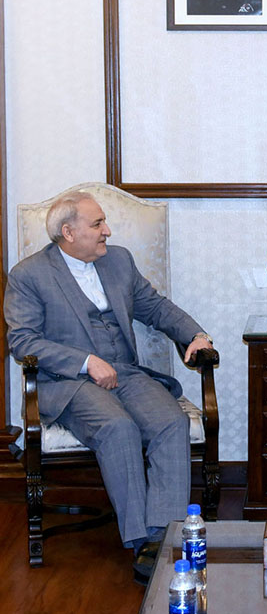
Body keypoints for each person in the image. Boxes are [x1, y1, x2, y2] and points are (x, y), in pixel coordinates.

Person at [3, 191, 215, 583]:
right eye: (97, 224)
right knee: (119, 428)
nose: (108, 231)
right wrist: (85, 362)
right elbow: (24, 342)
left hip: (127, 373)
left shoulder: (119, 260)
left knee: (172, 423)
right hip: (68, 383)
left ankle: (164, 535)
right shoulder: (28, 275)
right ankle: (143, 542)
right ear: (68, 232)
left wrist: (195, 334)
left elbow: (155, 307)